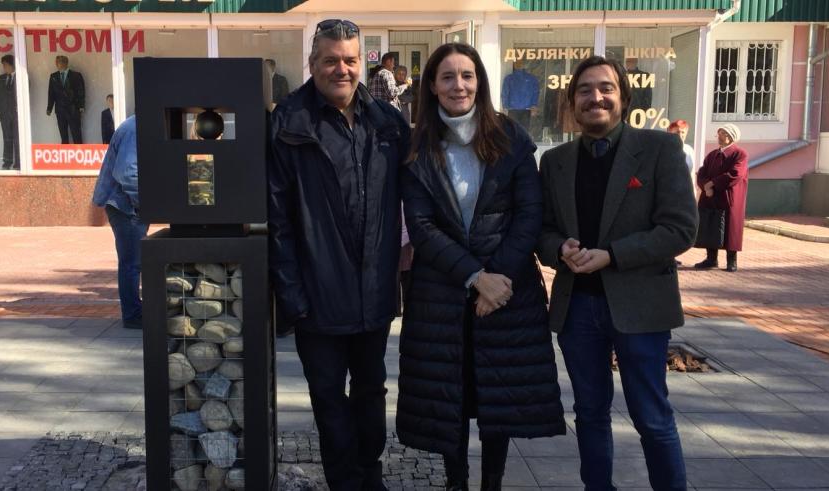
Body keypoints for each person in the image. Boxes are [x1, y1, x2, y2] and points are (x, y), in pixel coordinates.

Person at [397, 43, 565, 491]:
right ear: (432, 85)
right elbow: (422, 225)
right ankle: (456, 481)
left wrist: (498, 280)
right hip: (442, 290)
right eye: (448, 76)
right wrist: (475, 277)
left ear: (480, 82)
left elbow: (529, 215)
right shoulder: (417, 146)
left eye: (467, 75)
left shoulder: (511, 138)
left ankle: (492, 482)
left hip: (509, 290)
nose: (459, 85)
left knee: (499, 392)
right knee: (450, 390)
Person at [537, 56, 697, 490]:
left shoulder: (660, 149)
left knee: (652, 416)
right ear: (572, 102)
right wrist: (558, 247)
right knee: (589, 414)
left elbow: (681, 228)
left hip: (641, 308)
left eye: (605, 88)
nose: (595, 97)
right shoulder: (554, 161)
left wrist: (613, 254)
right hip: (578, 309)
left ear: (623, 97)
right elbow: (543, 228)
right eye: (585, 90)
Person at [267, 19, 410, 490]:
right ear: (313, 64)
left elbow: (412, 202)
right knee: (328, 400)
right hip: (318, 296)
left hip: (374, 295)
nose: (342, 69)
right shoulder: (288, 122)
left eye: (350, 60)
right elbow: (278, 220)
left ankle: (370, 477)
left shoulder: (387, 122)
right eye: (331, 60)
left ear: (362, 63)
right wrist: (293, 297)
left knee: (371, 395)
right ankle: (345, 484)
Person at [92, 115, 148, 330]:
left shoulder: (136, 125)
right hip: (125, 205)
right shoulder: (135, 129)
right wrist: (144, 203)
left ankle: (134, 311)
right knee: (131, 262)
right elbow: (128, 172)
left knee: (134, 261)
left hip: (127, 203)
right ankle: (132, 315)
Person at [694, 124, 748, 272]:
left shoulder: (739, 154)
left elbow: (735, 174)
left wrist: (712, 184)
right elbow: (702, 172)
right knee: (711, 225)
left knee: (730, 229)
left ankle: (732, 261)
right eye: (718, 133)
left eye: (722, 133)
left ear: (730, 136)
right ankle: (711, 259)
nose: (718, 136)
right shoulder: (712, 155)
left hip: (729, 198)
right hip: (710, 197)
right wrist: (705, 186)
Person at [47, 55, 85, 144]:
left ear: (65, 63)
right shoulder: (53, 76)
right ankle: (65, 155)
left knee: (76, 134)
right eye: (56, 62)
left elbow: (81, 91)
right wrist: (49, 107)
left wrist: (81, 106)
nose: (57, 64)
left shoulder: (76, 75)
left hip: (73, 109)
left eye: (58, 62)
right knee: (63, 135)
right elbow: (51, 93)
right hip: (60, 109)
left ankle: (79, 154)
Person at [0, 54, 20, 170]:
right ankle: (7, 162)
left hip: (17, 114)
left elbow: (26, 93)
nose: (4, 67)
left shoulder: (21, 77)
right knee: (7, 138)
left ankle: (19, 162)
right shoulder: (1, 78)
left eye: (5, 65)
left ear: (11, 65)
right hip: (4, 113)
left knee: (18, 138)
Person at [500, 59, 539, 134]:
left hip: (513, 109)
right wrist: (534, 105)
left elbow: (505, 93)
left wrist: (505, 107)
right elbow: (535, 93)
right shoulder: (531, 78)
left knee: (513, 132)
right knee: (524, 132)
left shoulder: (509, 78)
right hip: (525, 109)